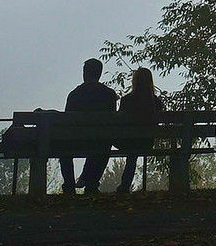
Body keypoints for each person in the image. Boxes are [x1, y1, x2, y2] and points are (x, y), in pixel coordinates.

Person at [61, 58, 118, 194]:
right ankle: (91, 184)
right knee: (104, 143)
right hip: (99, 142)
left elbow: (67, 121)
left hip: (76, 141)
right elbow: (111, 121)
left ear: (85, 73)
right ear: (99, 73)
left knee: (62, 149)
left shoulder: (75, 94)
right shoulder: (109, 94)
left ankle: (69, 186)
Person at [114, 67, 164, 194]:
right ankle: (125, 186)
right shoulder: (157, 102)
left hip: (129, 141)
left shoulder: (126, 100)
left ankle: (124, 186)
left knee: (131, 153)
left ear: (134, 81)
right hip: (147, 142)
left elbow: (119, 122)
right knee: (134, 151)